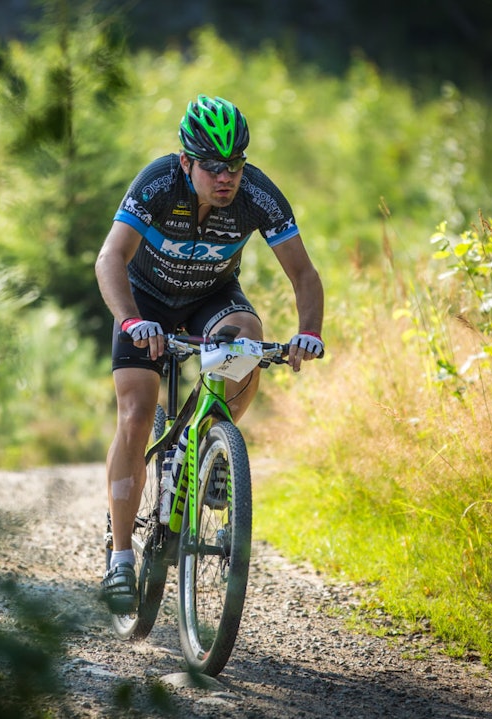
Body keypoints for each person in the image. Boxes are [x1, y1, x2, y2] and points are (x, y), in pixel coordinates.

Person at [94, 95, 325, 614]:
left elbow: (304, 274)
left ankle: (210, 445)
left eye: (235, 164)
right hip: (146, 301)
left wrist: (308, 331)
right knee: (135, 412)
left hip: (210, 300)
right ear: (186, 162)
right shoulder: (157, 182)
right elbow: (110, 255)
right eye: (213, 166)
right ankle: (121, 558)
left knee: (246, 335)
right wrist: (132, 320)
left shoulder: (258, 195)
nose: (226, 177)